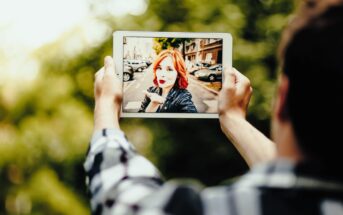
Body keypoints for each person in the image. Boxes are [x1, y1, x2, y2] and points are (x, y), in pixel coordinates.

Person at [84, 1, 343, 214]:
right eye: (159, 68)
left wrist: (106, 108)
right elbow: (295, 183)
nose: (163, 74)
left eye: (169, 69)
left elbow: (124, 200)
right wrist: (233, 119)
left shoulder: (222, 208)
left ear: (283, 100)